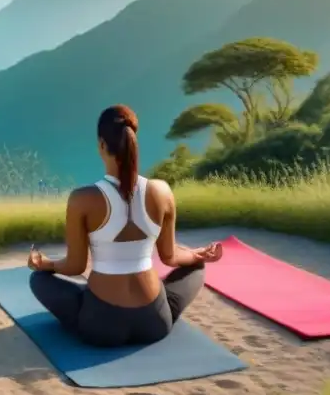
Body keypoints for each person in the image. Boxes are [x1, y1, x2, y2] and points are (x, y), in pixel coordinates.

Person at [27, 104, 223, 348]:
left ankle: (83, 311)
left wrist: (46, 264)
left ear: (101, 145)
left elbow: (75, 265)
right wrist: (197, 255)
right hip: (154, 322)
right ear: (133, 140)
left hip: (102, 326)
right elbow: (170, 256)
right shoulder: (162, 191)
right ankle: (164, 305)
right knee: (196, 268)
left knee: (38, 280)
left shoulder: (82, 199)